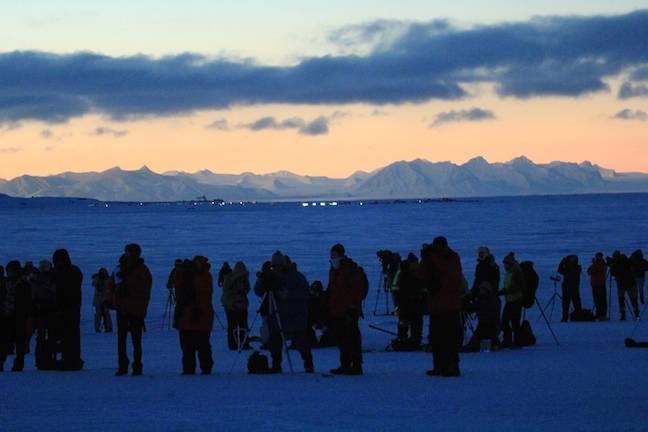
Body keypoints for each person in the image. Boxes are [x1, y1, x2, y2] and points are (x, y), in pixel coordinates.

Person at [255, 251, 314, 374]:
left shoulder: (296, 277)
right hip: (278, 316)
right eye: (274, 266)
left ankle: (308, 363)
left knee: (301, 341)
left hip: (295, 315)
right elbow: (259, 291)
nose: (276, 269)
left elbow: (305, 293)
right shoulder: (271, 278)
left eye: (278, 266)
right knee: (275, 341)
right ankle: (276, 365)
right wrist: (263, 278)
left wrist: (288, 295)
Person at [418, 237, 464, 377]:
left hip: (449, 306)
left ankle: (452, 366)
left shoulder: (452, 258)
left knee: (450, 338)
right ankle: (439, 366)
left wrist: (430, 257)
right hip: (436, 305)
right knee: (436, 338)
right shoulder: (433, 259)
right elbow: (421, 275)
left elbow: (447, 271)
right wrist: (425, 258)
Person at [113, 243, 152, 376]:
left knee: (135, 339)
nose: (126, 254)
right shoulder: (120, 267)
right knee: (122, 339)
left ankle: (137, 366)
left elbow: (145, 290)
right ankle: (123, 365)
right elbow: (112, 285)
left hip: (135, 308)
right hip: (123, 308)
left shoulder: (142, 270)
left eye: (128, 252)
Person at [328, 244, 366, 375]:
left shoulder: (349, 269)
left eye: (334, 255)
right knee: (342, 339)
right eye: (332, 255)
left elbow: (355, 290)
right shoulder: (333, 269)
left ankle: (355, 365)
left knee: (352, 338)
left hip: (349, 310)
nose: (332, 257)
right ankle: (345, 364)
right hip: (338, 309)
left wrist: (352, 307)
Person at [173, 257, 215, 375]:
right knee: (193, 345)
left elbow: (203, 293)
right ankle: (197, 368)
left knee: (196, 345)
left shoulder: (203, 277)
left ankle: (198, 368)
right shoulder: (203, 276)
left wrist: (182, 270)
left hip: (194, 315)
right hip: (194, 315)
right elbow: (175, 281)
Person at [463, 247, 501, 351]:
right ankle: (492, 341)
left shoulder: (493, 267)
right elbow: (477, 281)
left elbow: (494, 281)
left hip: (487, 294)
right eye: (479, 253)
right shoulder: (480, 266)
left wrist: (487, 293)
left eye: (482, 253)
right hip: (482, 293)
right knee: (484, 316)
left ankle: (487, 340)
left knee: (487, 317)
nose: (480, 255)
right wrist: (472, 293)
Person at [52, 249, 84, 371]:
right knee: (71, 334)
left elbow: (63, 291)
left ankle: (70, 359)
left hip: (67, 307)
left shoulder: (65, 273)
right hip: (72, 306)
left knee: (68, 334)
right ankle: (71, 358)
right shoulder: (74, 271)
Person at [1, 261, 32, 372]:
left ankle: (18, 363)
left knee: (19, 341)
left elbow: (27, 301)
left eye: (11, 271)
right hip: (6, 315)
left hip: (19, 316)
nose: (9, 273)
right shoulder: (5, 283)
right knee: (4, 341)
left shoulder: (23, 284)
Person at [391, 253, 425, 350]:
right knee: (416, 321)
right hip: (413, 300)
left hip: (404, 301)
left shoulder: (402, 271)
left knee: (405, 321)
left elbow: (395, 286)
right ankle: (414, 339)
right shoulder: (418, 270)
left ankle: (402, 338)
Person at [31, 260, 59, 369]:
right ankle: (42, 359)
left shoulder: (50, 278)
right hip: (43, 310)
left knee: (50, 336)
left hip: (49, 310)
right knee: (43, 336)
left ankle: (48, 358)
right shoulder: (38, 279)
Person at [221, 261, 252, 351]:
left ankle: (244, 343)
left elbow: (247, 289)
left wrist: (243, 291)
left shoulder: (245, 278)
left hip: (242, 304)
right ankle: (233, 344)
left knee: (243, 325)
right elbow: (226, 292)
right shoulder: (229, 278)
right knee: (232, 326)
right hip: (231, 305)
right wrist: (236, 292)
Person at [499, 252, 526, 348]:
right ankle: (508, 340)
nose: (504, 266)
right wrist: (503, 291)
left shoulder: (516, 272)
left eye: (505, 264)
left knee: (515, 323)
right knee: (504, 322)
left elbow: (519, 287)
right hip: (509, 300)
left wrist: (506, 291)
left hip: (516, 300)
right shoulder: (508, 273)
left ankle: (517, 342)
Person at [609, 251, 639, 320]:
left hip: (623, 284)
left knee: (621, 300)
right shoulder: (626, 261)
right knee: (633, 300)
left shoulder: (617, 264)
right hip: (629, 283)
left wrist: (611, 265)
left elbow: (613, 273)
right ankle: (636, 314)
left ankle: (623, 315)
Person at [558, 255, 583, 322]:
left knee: (571, 303)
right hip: (571, 287)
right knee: (572, 303)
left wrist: (563, 262)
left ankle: (568, 317)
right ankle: (577, 316)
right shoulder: (576, 268)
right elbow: (560, 270)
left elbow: (560, 270)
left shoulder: (572, 268)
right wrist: (564, 262)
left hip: (570, 287)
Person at [587, 252, 608, 320]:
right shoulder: (602, 264)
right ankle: (600, 313)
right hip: (597, 284)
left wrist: (594, 263)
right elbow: (589, 272)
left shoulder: (601, 264)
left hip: (599, 284)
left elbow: (591, 271)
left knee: (600, 300)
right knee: (598, 300)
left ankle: (602, 314)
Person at [92, 268, 113, 333]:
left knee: (103, 315)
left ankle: (106, 328)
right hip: (102, 300)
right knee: (102, 315)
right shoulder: (100, 280)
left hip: (103, 300)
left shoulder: (99, 279)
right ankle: (104, 328)